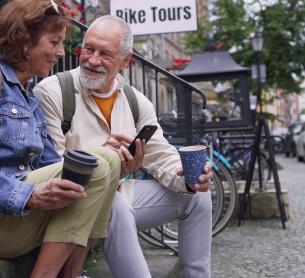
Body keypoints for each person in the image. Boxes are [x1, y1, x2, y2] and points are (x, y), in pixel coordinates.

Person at [0, 0, 120, 278]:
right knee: (98, 168)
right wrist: (29, 193)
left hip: (6, 213)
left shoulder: (28, 95)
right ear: (24, 41)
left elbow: (53, 165)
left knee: (108, 159)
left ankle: (72, 274)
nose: (61, 53)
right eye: (54, 42)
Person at [34, 15, 213, 277]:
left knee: (198, 196)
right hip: (72, 204)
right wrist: (104, 160)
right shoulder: (53, 91)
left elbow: (162, 156)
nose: (93, 60)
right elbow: (49, 169)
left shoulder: (136, 102)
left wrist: (190, 178)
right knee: (113, 202)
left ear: (126, 61)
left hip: (122, 196)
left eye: (106, 54)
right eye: (89, 49)